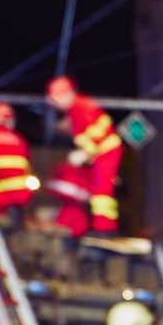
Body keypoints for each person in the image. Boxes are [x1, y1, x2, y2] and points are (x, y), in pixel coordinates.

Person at [46, 74, 122, 235]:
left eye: (56, 99)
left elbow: (97, 130)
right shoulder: (77, 109)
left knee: (102, 192)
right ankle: (103, 226)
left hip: (106, 151)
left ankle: (104, 228)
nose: (56, 104)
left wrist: (84, 153)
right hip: (101, 152)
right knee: (99, 190)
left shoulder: (80, 107)